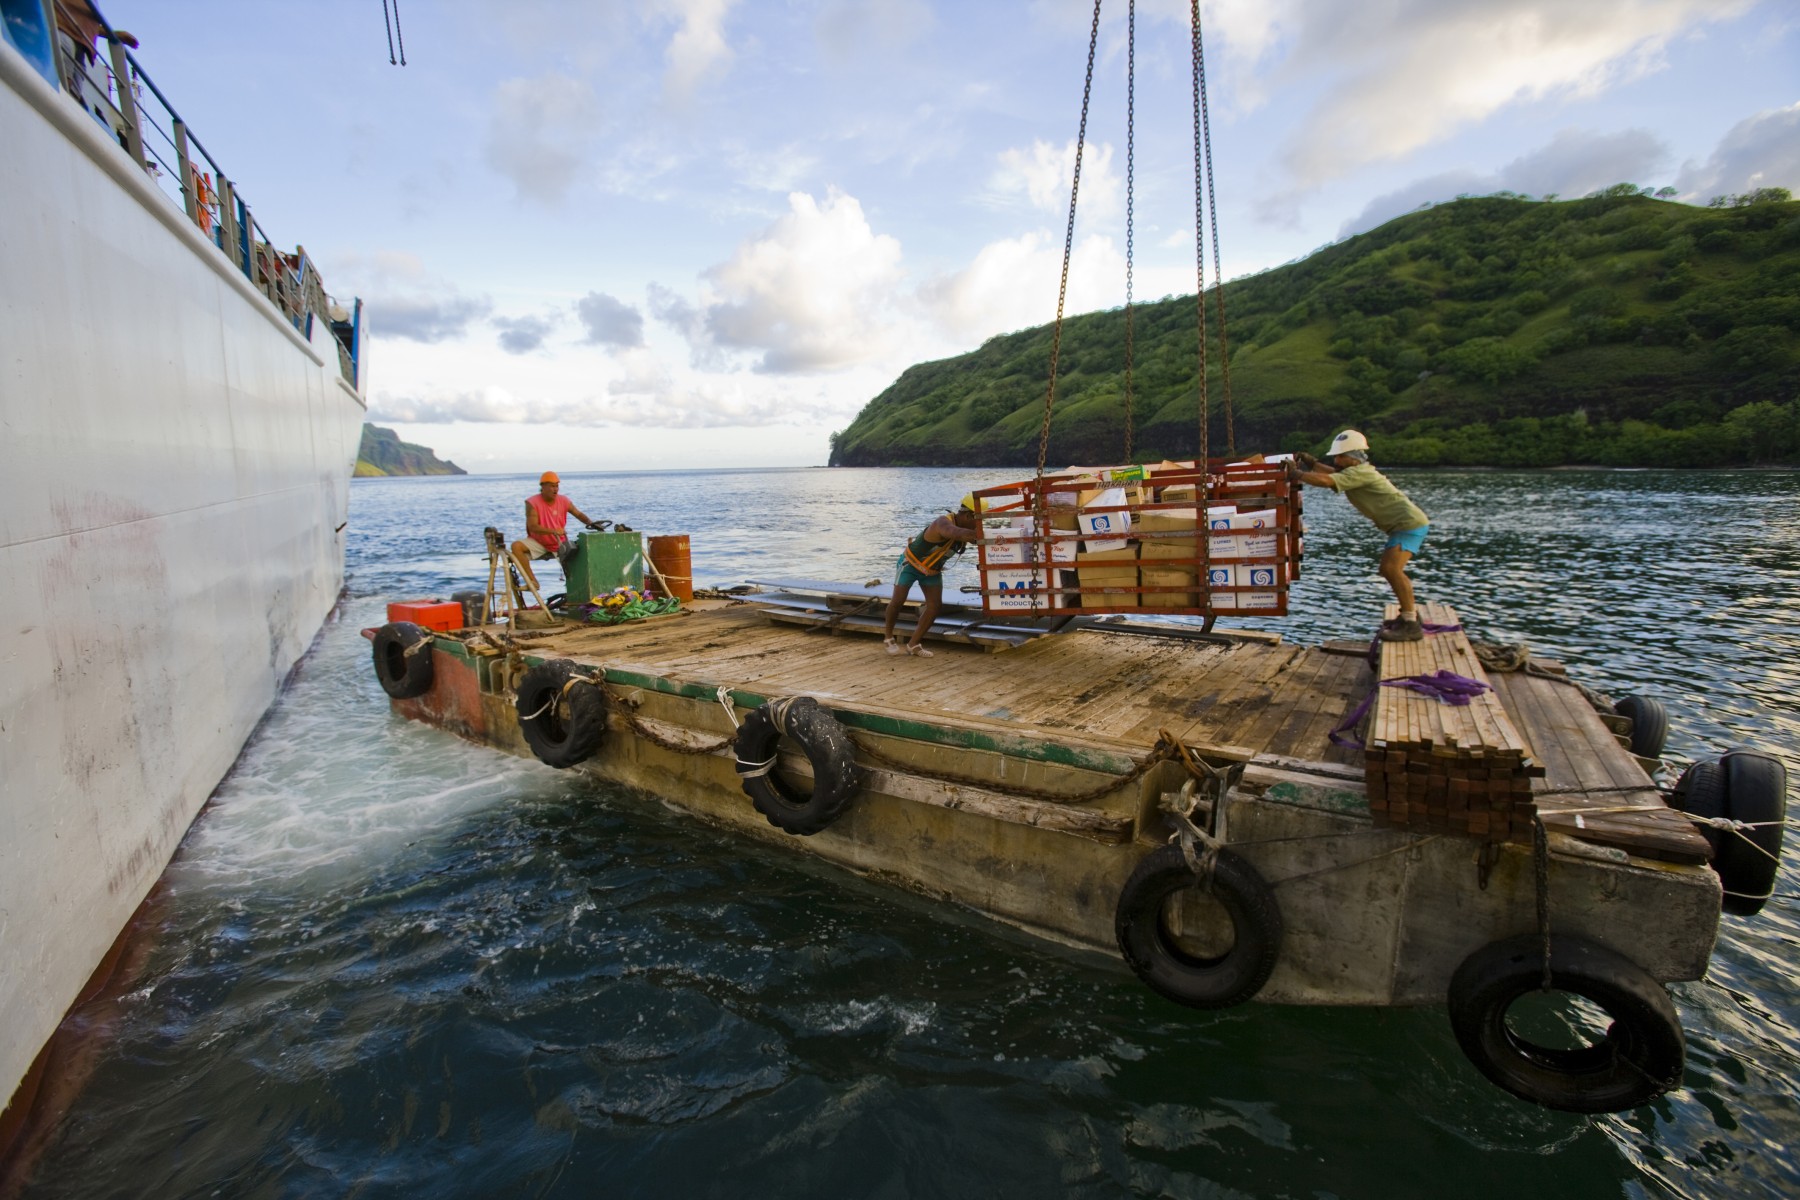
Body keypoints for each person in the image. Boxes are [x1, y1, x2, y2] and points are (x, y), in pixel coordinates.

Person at [1286, 430, 1431, 642]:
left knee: (1391, 569)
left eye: (1339, 456)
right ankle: (1408, 616)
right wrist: (1311, 462)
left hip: (1408, 524)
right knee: (1391, 570)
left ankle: (1410, 623)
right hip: (1405, 524)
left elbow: (1326, 481)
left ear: (1352, 457)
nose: (1336, 460)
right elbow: (1330, 474)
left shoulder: (1361, 473)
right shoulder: (1356, 472)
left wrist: (1297, 474)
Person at [881, 494, 984, 657]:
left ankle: (913, 644)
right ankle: (888, 637)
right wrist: (981, 534)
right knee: (898, 600)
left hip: (931, 571)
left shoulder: (968, 530)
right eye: (978, 520)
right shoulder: (942, 523)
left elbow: (975, 539)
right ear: (967, 515)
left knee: (935, 606)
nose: (980, 525)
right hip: (910, 564)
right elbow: (954, 532)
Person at [511, 472, 595, 592]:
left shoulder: (564, 500)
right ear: (543, 486)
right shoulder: (532, 502)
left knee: (573, 573)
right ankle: (533, 582)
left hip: (558, 543)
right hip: (539, 542)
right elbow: (533, 526)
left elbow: (578, 514)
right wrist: (553, 531)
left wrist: (591, 523)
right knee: (516, 546)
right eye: (551, 486)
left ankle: (576, 595)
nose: (555, 489)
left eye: (556, 486)